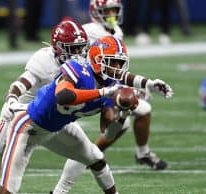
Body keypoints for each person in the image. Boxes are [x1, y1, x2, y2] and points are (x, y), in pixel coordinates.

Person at [0, 34, 173, 194]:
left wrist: (123, 112)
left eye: (119, 64)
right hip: (27, 125)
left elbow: (107, 129)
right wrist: (104, 92)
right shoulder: (78, 69)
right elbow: (64, 96)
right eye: (112, 63)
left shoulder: (110, 85)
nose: (117, 70)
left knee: (96, 158)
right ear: (97, 60)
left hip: (58, 126)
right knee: (5, 191)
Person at [52, 1, 173, 193]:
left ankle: (141, 153)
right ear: (96, 11)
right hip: (84, 84)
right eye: (107, 10)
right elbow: (74, 47)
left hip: (102, 83)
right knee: (90, 146)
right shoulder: (90, 30)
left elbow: (114, 70)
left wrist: (141, 84)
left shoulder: (115, 30)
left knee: (138, 112)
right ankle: (86, 164)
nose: (111, 14)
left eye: (114, 10)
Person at [0, 18, 92, 187]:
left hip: (52, 115)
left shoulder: (83, 65)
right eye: (74, 49)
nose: (79, 54)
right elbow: (22, 83)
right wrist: (11, 100)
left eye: (81, 48)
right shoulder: (44, 60)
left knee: (86, 152)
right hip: (21, 113)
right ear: (58, 49)